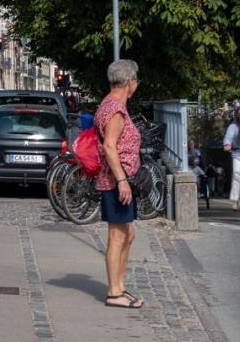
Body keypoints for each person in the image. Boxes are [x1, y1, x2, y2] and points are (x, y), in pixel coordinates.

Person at [94, 59, 144, 310]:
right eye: (136, 80)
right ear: (130, 82)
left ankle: (120, 286)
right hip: (115, 180)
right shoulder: (115, 110)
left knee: (128, 232)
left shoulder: (111, 105)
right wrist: (122, 181)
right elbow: (110, 146)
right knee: (118, 234)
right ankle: (114, 292)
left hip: (119, 179)